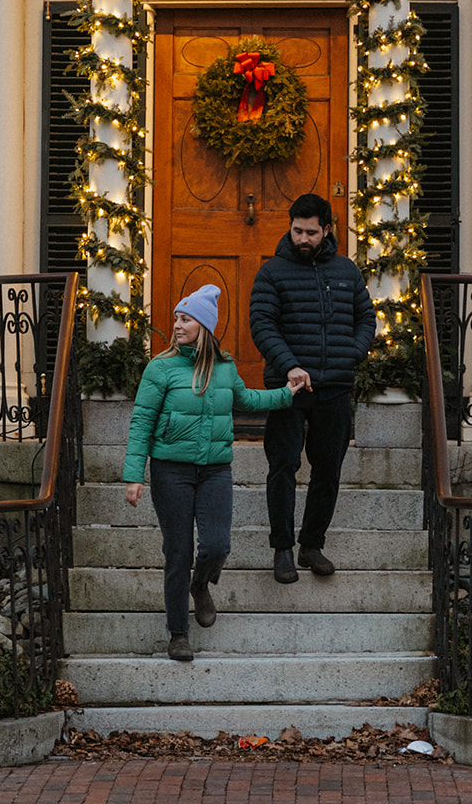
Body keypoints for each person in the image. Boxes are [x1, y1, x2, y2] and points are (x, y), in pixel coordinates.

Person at [123, 283, 304, 662]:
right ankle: (178, 633)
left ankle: (201, 584)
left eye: (185, 319)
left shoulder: (225, 367)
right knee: (178, 550)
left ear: (203, 326)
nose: (176, 324)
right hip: (171, 469)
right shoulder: (161, 368)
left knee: (218, 545)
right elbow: (141, 421)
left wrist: (286, 394)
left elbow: (249, 400)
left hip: (216, 470)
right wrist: (134, 474)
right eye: (175, 317)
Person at [249, 193, 376, 584]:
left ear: (326, 231)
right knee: (283, 466)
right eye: (297, 231)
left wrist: (350, 355)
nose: (303, 238)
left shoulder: (346, 271)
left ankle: (312, 545)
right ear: (290, 227)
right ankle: (282, 549)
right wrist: (290, 367)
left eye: (311, 232)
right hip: (288, 390)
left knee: (328, 470)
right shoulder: (272, 272)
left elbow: (366, 318)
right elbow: (262, 326)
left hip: (334, 387)